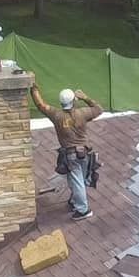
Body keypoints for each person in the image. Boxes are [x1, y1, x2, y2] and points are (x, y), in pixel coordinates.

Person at [32, 85, 103, 221]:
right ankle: (75, 201)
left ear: (61, 102)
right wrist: (86, 98)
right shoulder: (82, 113)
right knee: (79, 180)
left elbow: (41, 105)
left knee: (76, 181)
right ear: (74, 101)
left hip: (71, 156)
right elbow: (99, 109)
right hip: (85, 153)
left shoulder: (57, 115)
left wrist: (34, 89)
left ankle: (83, 210)